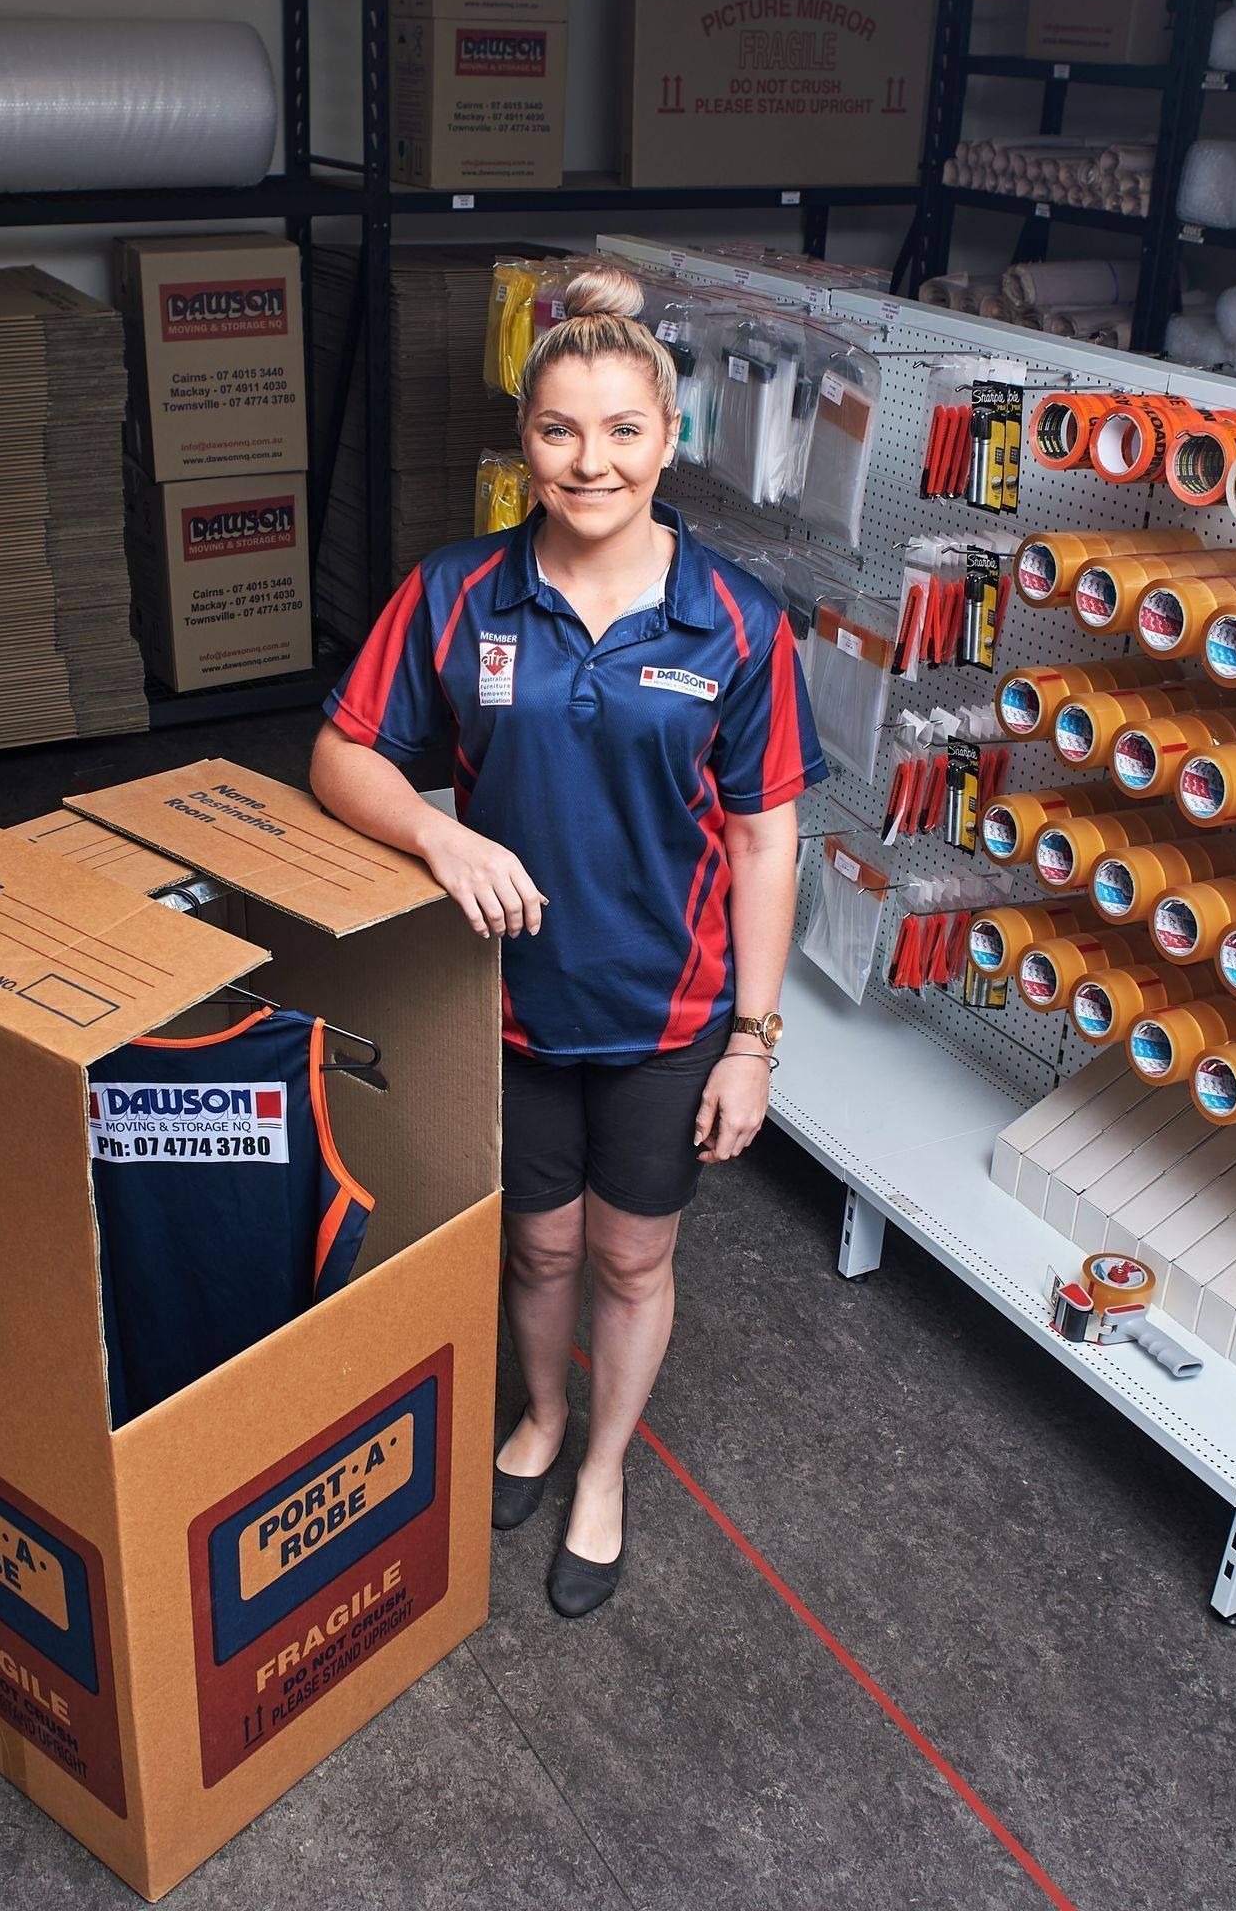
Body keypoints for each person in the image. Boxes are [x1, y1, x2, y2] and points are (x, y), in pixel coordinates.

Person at [310, 266, 828, 1618]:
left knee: (632, 1258)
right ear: (526, 440)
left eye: (620, 432)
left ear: (670, 441)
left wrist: (755, 1044)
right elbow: (341, 755)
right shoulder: (458, 595)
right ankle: (542, 1416)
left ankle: (602, 1469)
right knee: (536, 1251)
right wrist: (444, 838)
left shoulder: (739, 626)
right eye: (558, 431)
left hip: (668, 1018)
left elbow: (769, 841)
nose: (589, 462)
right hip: (515, 1010)